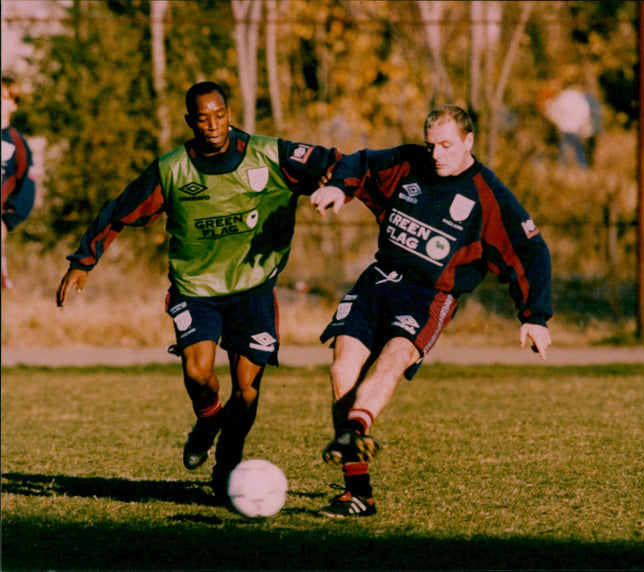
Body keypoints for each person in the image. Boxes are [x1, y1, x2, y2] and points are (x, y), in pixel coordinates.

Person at [56, 81, 341, 501]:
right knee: (197, 371)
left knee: (247, 388)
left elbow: (332, 162)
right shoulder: (172, 169)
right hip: (197, 288)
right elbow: (120, 209)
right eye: (203, 118)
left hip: (253, 287)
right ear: (191, 121)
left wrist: (342, 183)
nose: (213, 125)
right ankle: (208, 420)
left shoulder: (269, 155)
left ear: (229, 112)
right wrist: (83, 262)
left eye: (220, 114)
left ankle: (227, 463)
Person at [309, 104, 553, 518]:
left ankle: (353, 432)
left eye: (446, 145)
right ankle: (358, 493)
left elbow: (530, 251)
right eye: (431, 144)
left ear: (468, 141)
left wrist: (534, 316)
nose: (436, 154)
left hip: (428, 295)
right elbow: (362, 163)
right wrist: (340, 187)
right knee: (341, 370)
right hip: (378, 280)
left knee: (394, 358)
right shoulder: (410, 163)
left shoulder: (488, 196)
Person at [2, 76, 36, 290]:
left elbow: (27, 190)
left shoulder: (16, 142)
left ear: (13, 104)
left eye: (2, 97)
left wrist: (6, 222)